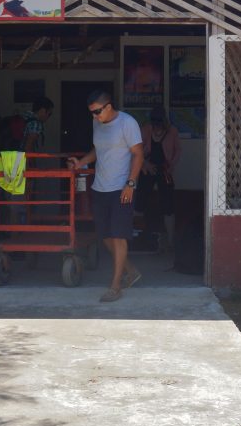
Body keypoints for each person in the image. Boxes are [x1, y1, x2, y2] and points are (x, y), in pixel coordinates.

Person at [67, 90, 144, 302]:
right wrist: (81, 162)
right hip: (99, 188)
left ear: (108, 106)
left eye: (97, 112)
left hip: (121, 188)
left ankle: (115, 285)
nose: (94, 116)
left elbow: (138, 154)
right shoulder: (97, 124)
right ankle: (131, 271)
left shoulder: (128, 123)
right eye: (91, 113)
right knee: (106, 237)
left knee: (119, 236)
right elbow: (98, 150)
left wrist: (130, 184)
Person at [137, 106, 181, 252]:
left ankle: (170, 240)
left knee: (168, 204)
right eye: (154, 123)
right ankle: (138, 236)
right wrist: (145, 164)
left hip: (165, 170)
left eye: (159, 124)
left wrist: (171, 165)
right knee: (140, 201)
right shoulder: (146, 129)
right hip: (147, 168)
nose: (156, 127)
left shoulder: (172, 131)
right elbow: (136, 150)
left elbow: (178, 150)